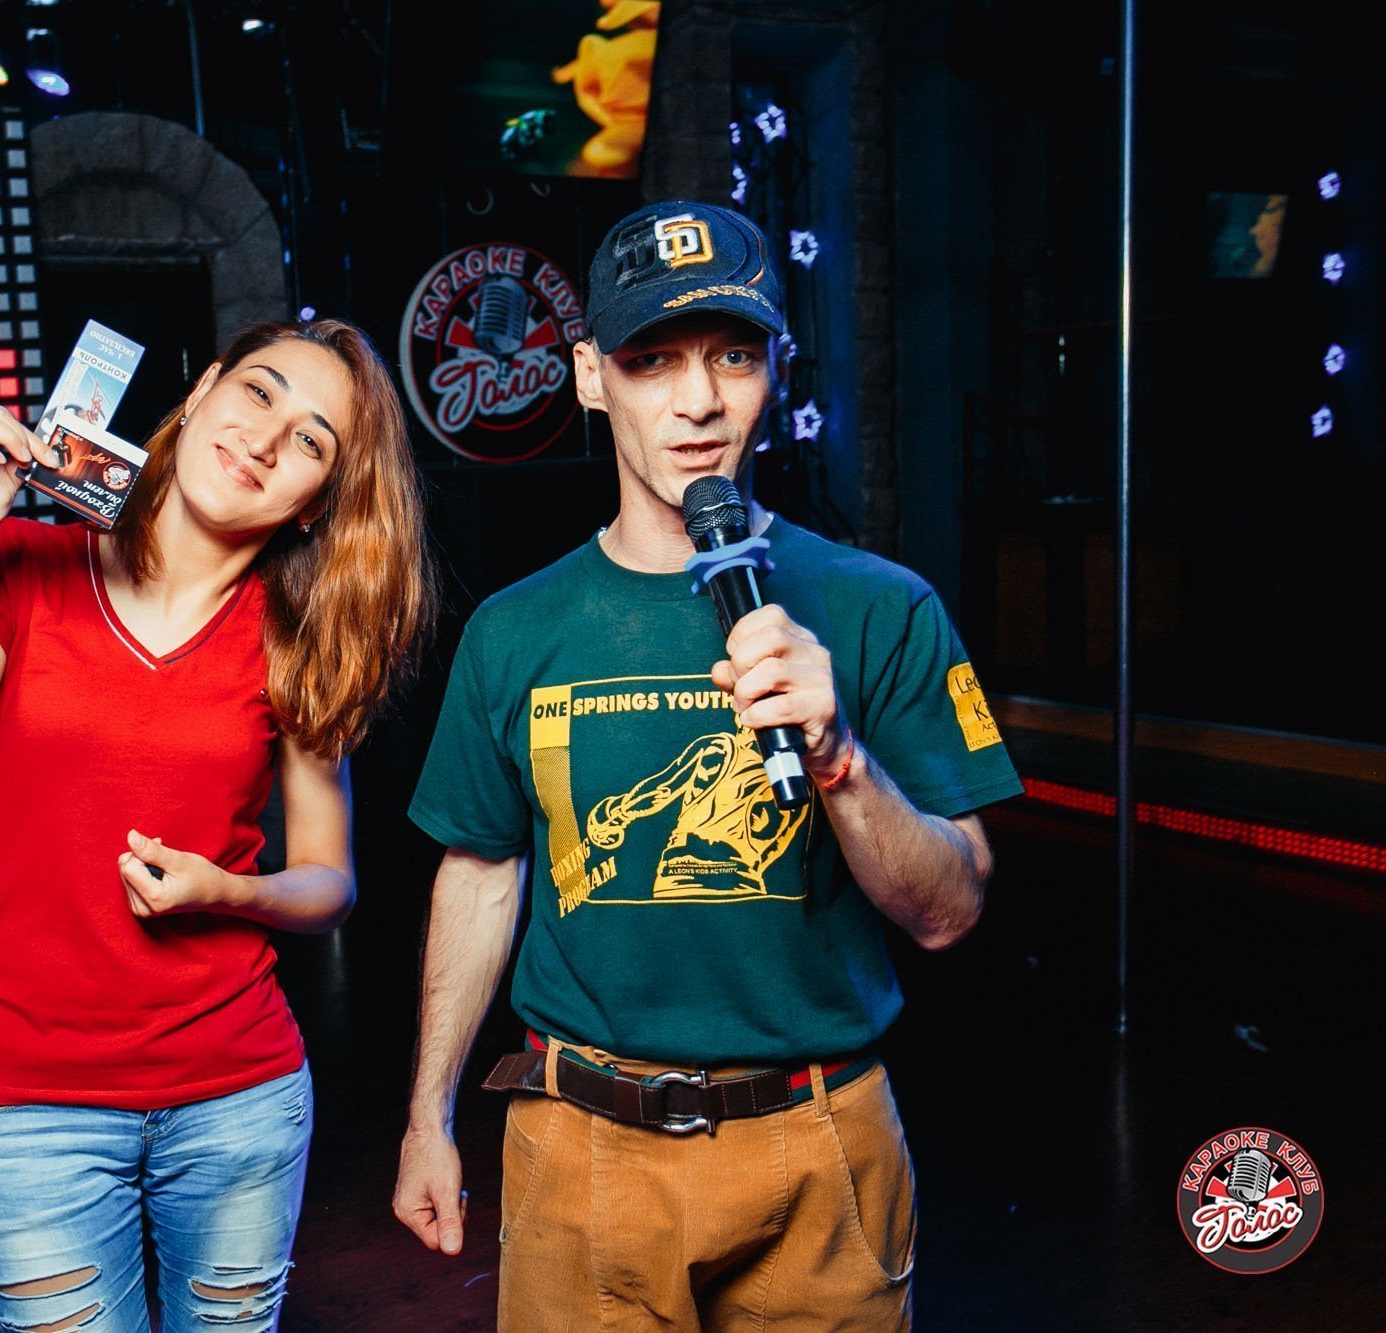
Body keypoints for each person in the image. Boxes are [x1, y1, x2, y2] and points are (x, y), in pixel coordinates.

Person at [390, 200, 1023, 1330]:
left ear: (774, 373)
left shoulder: (881, 608)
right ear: (590, 376)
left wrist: (839, 758)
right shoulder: (513, 629)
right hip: (582, 1143)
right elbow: (480, 874)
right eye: (651, 360)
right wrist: (425, 1116)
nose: (698, 402)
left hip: (819, 1142)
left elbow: (950, 910)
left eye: (732, 356)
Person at [0, 318, 436, 1333]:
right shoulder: (25, 566)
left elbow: (328, 879)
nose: (264, 439)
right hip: (25, 1109)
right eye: (257, 392)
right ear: (202, 390)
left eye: (310, 440)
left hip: (238, 1098)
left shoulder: (295, 639)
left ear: (317, 502)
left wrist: (228, 890)